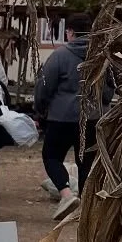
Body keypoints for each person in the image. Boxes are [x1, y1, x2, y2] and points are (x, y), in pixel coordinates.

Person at [34, 15, 102, 215]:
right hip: (91, 117)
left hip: (61, 117)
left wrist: (40, 109)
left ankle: (66, 194)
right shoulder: (100, 57)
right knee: (87, 162)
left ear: (71, 32)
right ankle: (86, 208)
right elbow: (109, 88)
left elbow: (44, 86)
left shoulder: (59, 56)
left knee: (51, 156)